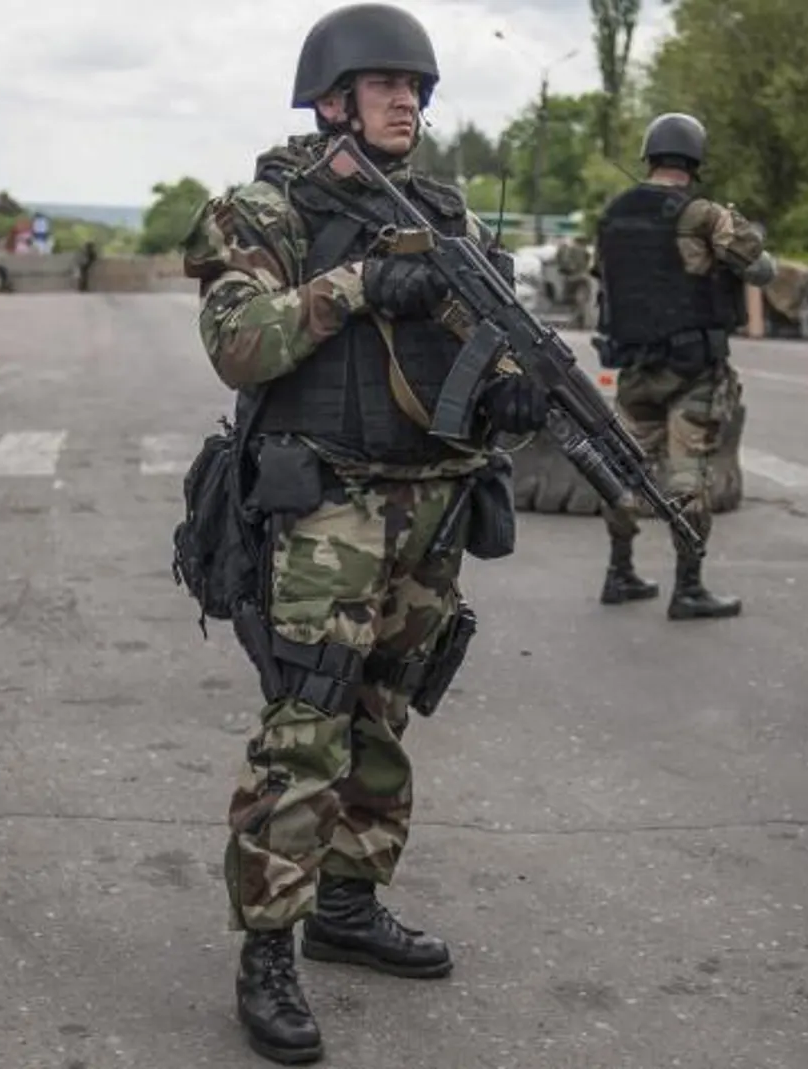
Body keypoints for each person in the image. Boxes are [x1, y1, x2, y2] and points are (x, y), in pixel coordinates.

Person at [178, 3, 547, 1062]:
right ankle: (267, 951)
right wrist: (353, 284)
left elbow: (485, 340)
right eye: (386, 85)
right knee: (307, 728)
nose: (407, 103)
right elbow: (240, 346)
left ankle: (347, 906)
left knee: (384, 714)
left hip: (429, 504)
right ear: (332, 99)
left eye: (419, 89)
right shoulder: (265, 209)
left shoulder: (446, 212)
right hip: (326, 508)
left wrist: (515, 391)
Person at [589, 112, 774, 619]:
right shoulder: (702, 214)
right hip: (693, 370)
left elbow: (602, 282)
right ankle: (689, 587)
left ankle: (619, 572)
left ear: (649, 156)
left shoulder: (613, 214)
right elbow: (761, 269)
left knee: (623, 470)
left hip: (634, 368)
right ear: (695, 161)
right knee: (687, 476)